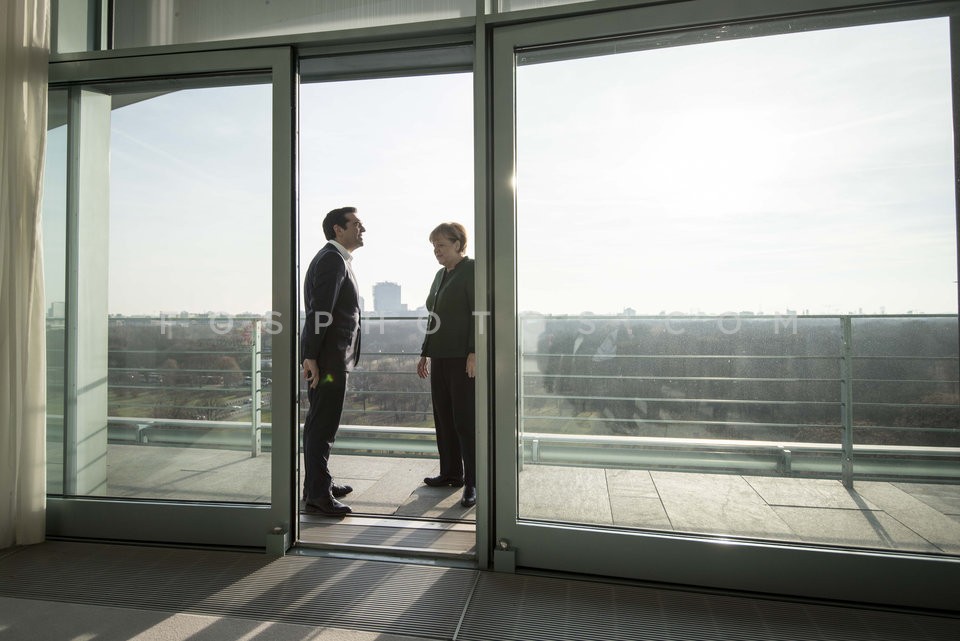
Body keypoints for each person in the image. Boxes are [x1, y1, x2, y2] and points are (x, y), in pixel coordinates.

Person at [301, 206, 365, 516]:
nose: (362, 229)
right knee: (322, 425)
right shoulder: (331, 260)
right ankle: (317, 493)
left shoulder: (336, 259)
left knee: (319, 422)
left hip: (329, 358)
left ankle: (316, 482)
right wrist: (311, 356)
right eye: (356, 224)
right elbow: (320, 312)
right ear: (337, 229)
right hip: (328, 360)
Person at [417, 222, 477, 508]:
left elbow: (480, 313)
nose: (436, 251)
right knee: (443, 417)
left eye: (441, 245)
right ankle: (451, 473)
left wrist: (474, 351)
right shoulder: (440, 275)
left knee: (464, 419)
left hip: (462, 358)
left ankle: (473, 482)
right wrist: (424, 352)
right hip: (439, 356)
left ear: (458, 244)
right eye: (433, 246)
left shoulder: (473, 270)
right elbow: (434, 317)